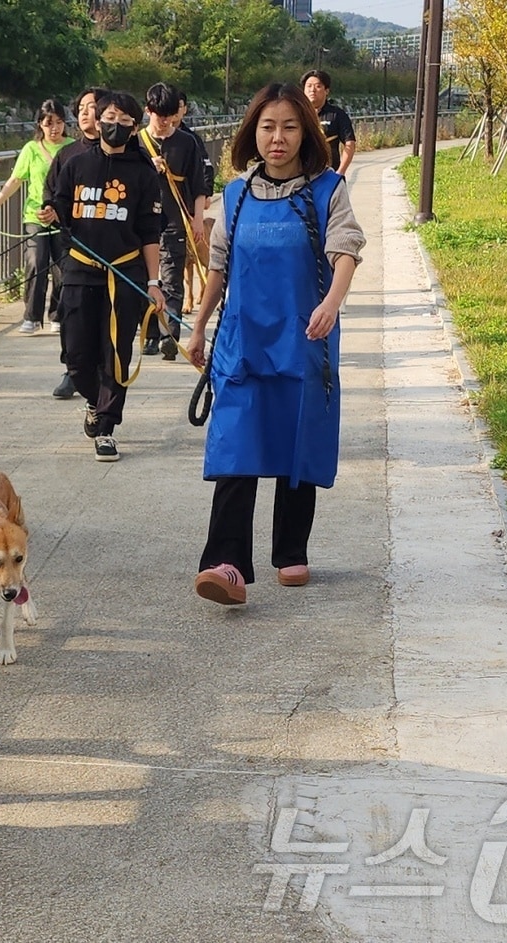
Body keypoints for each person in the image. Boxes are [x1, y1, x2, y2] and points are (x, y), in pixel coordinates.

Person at [184, 83, 365, 605]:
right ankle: (226, 564)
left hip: (303, 338)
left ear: (305, 132)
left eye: (288, 126)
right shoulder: (236, 195)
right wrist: (198, 326)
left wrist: (331, 302)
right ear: (252, 133)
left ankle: (290, 549)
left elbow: (346, 250)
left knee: (294, 441)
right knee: (236, 446)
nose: (277, 138)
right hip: (241, 341)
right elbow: (219, 266)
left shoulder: (329, 189)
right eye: (267, 127)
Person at [46, 90, 165, 462]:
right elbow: (61, 202)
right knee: (77, 355)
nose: (114, 126)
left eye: (124, 121)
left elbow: (150, 232)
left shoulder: (144, 173)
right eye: (108, 118)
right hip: (81, 269)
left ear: (134, 127)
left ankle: (107, 426)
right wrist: (52, 211)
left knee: (116, 352)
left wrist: (153, 282)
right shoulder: (76, 163)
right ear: (98, 120)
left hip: (125, 272)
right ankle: (94, 401)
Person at [0, 98, 72, 335]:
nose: (55, 128)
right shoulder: (31, 149)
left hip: (63, 217)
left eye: (59, 122)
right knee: (35, 261)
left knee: (63, 265)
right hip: (35, 214)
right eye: (49, 123)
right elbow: (15, 180)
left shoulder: (74, 147)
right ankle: (31, 316)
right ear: (40, 124)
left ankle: (58, 315)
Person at [39, 86, 108, 399]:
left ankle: (104, 373)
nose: (83, 113)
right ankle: (72, 369)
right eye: (80, 107)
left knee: (106, 317)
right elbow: (50, 192)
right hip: (74, 250)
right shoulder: (67, 155)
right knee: (70, 308)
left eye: (91, 106)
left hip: (116, 255)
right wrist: (50, 210)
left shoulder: (126, 155)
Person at [138, 83, 208, 358]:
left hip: (175, 220)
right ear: (148, 111)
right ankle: (150, 334)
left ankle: (170, 334)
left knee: (171, 278)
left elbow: (199, 184)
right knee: (147, 279)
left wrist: (198, 219)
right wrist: (146, 168)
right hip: (143, 223)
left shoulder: (187, 142)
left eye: (170, 115)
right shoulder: (136, 143)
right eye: (160, 115)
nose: (165, 121)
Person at [172, 90, 217, 315]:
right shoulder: (147, 138)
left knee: (199, 258)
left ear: (184, 109)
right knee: (176, 265)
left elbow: (206, 169)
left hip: (190, 211)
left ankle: (203, 295)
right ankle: (180, 302)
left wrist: (205, 194)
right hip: (165, 213)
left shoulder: (191, 139)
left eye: (178, 106)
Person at [302, 69, 356, 177]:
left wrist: (340, 172)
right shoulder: (297, 115)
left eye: (318, 86)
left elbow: (350, 144)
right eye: (309, 86)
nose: (312, 90)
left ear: (326, 91)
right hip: (301, 178)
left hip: (329, 176)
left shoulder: (337, 115)